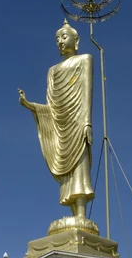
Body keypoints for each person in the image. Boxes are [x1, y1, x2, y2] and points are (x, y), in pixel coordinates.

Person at [18, 19, 95, 218]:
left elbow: (87, 94)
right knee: (67, 174)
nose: (60, 41)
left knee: (80, 166)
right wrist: (30, 105)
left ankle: (82, 216)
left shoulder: (85, 60)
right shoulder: (53, 71)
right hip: (61, 124)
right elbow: (51, 108)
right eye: (57, 38)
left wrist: (87, 122)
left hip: (78, 121)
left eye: (64, 37)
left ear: (76, 40)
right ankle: (74, 215)